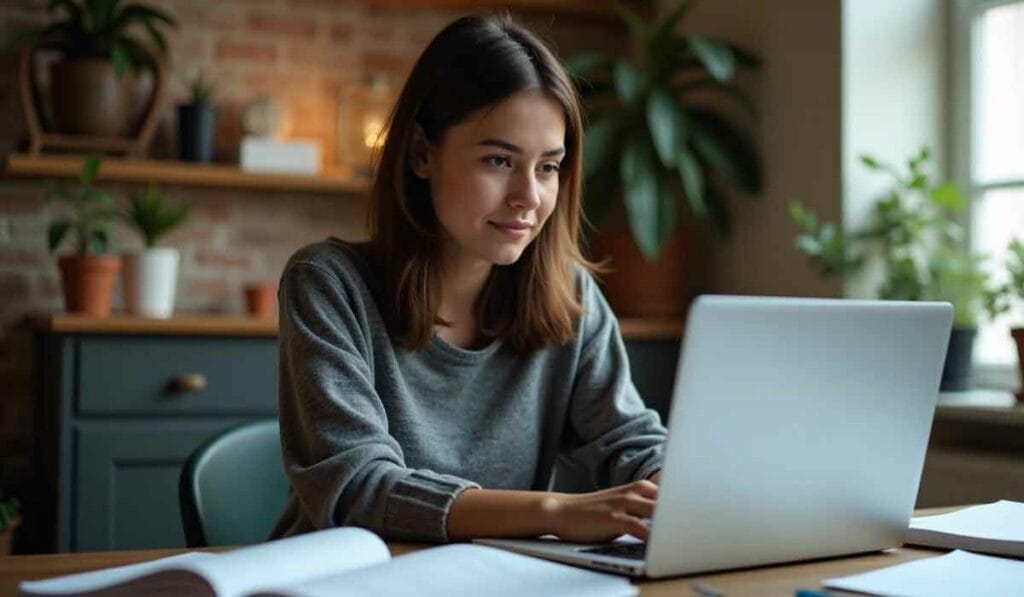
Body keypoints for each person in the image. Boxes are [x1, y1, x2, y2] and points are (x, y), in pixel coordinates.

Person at [270, 13, 667, 545]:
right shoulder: (328, 285)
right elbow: (358, 488)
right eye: (499, 160)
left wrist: (671, 489)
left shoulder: (569, 295)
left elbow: (630, 440)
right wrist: (553, 511)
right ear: (419, 154)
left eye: (548, 167)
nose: (529, 197)